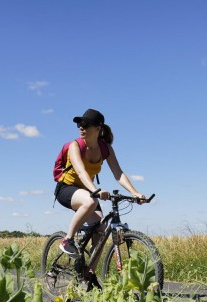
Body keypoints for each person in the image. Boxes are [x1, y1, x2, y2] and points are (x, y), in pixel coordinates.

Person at [53, 109, 146, 255]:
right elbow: (81, 172)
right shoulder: (75, 146)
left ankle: (89, 274)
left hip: (87, 191)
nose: (81, 128)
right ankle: (68, 239)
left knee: (101, 230)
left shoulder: (105, 148)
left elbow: (118, 173)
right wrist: (95, 190)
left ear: (98, 128)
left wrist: (135, 192)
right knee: (90, 201)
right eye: (79, 124)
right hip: (66, 188)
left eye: (86, 124)